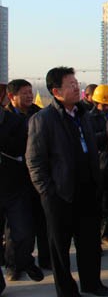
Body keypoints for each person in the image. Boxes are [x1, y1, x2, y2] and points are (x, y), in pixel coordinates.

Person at [26, 67, 108, 297]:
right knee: (60, 248)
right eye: (71, 85)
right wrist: (48, 193)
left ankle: (92, 283)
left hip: (87, 190)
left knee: (90, 243)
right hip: (59, 195)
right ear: (56, 91)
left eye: (76, 83)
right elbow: (35, 162)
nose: (76, 87)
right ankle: (66, 291)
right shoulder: (43, 119)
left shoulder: (83, 115)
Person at [4, 79, 50, 274]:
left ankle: (46, 259)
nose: (29, 96)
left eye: (30, 92)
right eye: (24, 93)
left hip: (37, 177)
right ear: (11, 96)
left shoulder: (39, 114)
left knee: (42, 221)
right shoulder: (5, 119)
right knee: (17, 227)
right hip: (13, 180)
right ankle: (15, 264)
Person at [88, 85, 108, 250]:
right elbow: (91, 140)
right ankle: (98, 236)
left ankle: (106, 232)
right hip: (101, 165)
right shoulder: (89, 118)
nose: (107, 107)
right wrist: (107, 134)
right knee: (101, 204)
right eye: (104, 105)